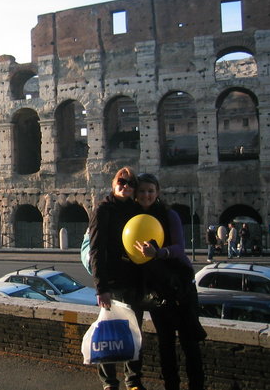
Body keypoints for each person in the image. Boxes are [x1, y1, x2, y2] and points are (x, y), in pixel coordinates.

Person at [133, 173, 206, 390]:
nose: (146, 195)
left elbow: (180, 248)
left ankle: (197, 386)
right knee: (165, 344)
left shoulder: (169, 215)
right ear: (136, 194)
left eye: (150, 191)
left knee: (189, 342)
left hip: (180, 287)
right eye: (143, 191)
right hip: (157, 292)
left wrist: (159, 253)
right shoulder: (132, 218)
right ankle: (171, 386)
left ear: (157, 193)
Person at [88, 166, 146, 390]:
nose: (126, 186)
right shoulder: (103, 210)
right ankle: (109, 382)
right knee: (108, 332)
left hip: (133, 280)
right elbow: (96, 250)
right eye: (122, 182)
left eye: (131, 183)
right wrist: (101, 287)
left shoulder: (137, 209)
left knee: (135, 333)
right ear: (114, 184)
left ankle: (133, 380)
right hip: (112, 282)